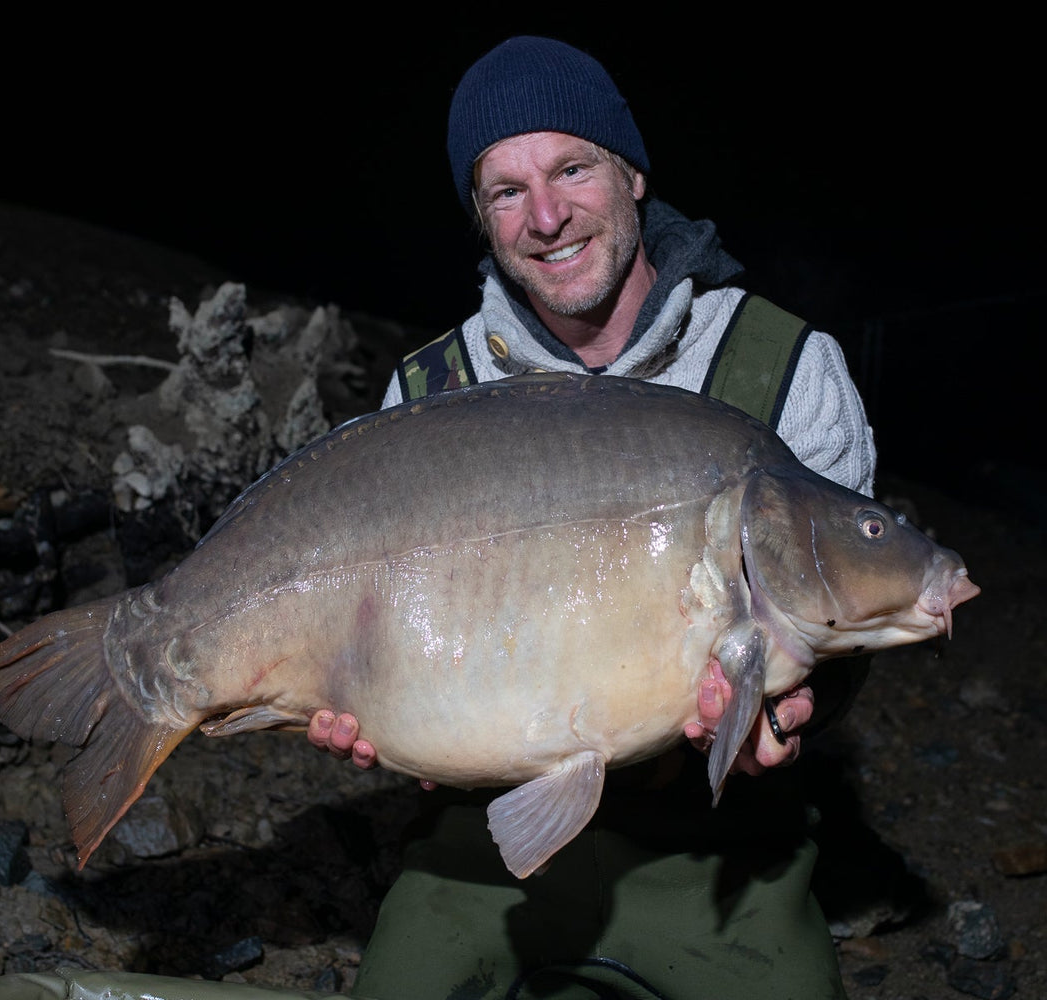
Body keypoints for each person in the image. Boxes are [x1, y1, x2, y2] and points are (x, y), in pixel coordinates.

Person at [305, 34, 877, 1000]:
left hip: (724, 842)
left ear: (633, 171)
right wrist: (360, 697)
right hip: (476, 844)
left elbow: (837, 620)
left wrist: (799, 711)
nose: (548, 216)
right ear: (481, 218)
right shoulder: (433, 390)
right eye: (506, 190)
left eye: (573, 167)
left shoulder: (789, 373)